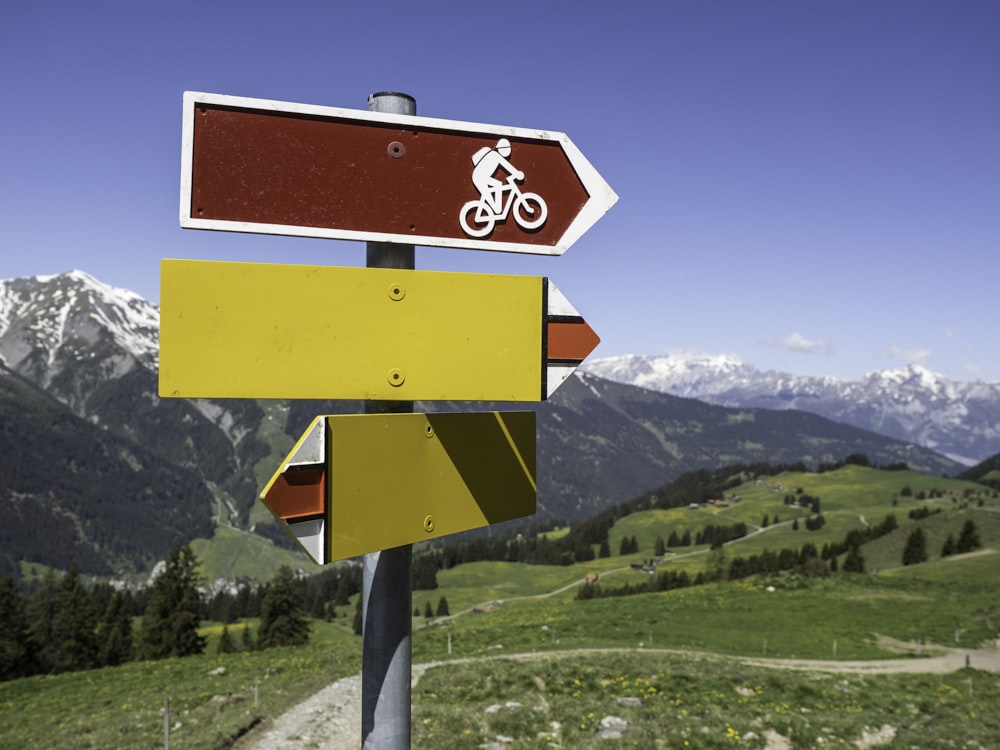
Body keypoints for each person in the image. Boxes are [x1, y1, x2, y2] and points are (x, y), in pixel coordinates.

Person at [471, 138, 523, 214]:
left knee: (498, 184)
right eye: (505, 148)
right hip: (478, 178)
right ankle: (496, 210)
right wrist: (516, 173)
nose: (507, 151)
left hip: (483, 177)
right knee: (496, 192)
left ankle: (497, 209)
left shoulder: (495, 155)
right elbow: (507, 166)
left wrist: (516, 173)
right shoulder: (495, 155)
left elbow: (507, 166)